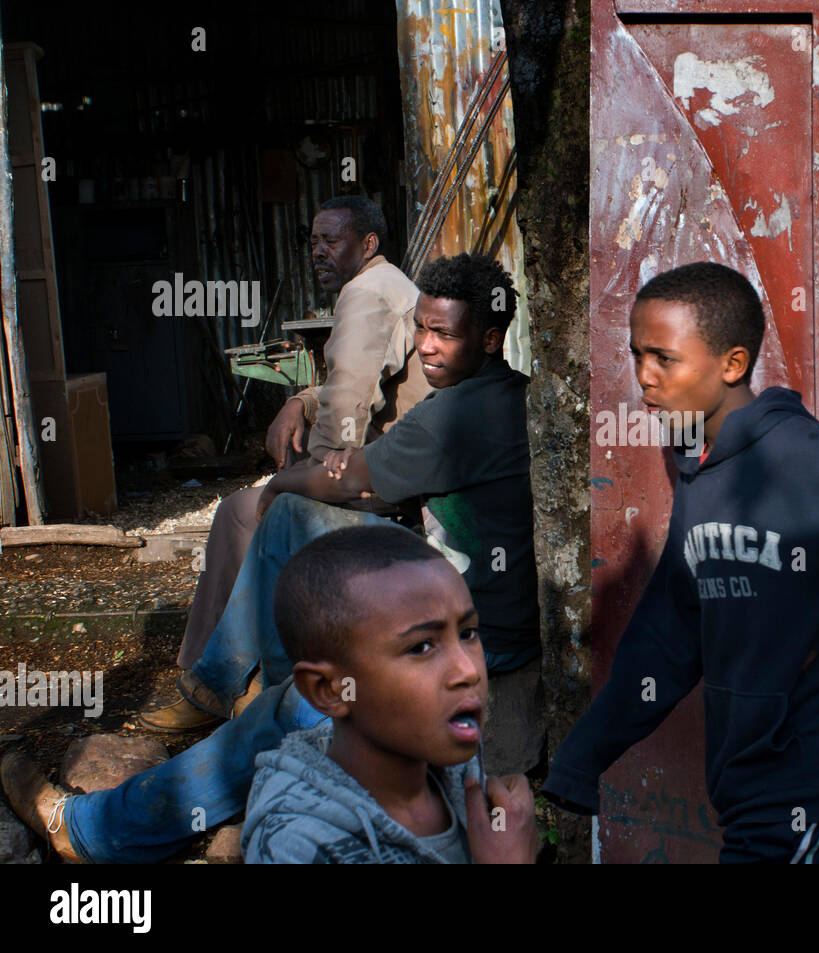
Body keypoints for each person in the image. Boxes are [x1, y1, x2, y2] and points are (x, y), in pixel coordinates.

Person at [0, 254, 542, 862]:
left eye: (445, 333)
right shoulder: (505, 393)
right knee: (293, 523)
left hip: (474, 632)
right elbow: (374, 480)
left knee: (288, 528)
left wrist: (284, 482)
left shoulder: (459, 412)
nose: (427, 347)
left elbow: (352, 482)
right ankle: (222, 686)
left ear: (491, 339)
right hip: (455, 592)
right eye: (421, 328)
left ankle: (90, 829)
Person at [541, 261, 819, 863]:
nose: (644, 378)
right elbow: (666, 640)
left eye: (664, 358)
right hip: (747, 778)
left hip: (809, 769)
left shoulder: (806, 459)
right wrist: (580, 764)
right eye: (636, 355)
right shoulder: (700, 478)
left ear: (731, 364)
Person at [147, 195, 429, 732]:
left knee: (242, 513)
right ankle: (225, 677)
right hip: (398, 463)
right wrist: (301, 399)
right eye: (314, 241)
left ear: (368, 244)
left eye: (332, 241)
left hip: (390, 479)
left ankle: (214, 678)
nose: (318, 252)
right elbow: (357, 381)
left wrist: (305, 479)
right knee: (261, 501)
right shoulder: (387, 282)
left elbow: (348, 407)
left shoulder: (365, 294)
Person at [242, 525, 537, 863]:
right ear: (329, 690)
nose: (468, 671)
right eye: (421, 646)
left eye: (468, 633)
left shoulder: (461, 778)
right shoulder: (297, 848)